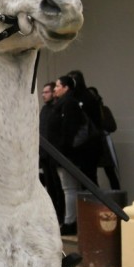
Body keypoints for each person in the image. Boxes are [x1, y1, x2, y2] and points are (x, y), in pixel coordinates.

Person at [48, 75, 96, 236]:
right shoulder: (62, 104)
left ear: (66, 88)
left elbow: (69, 130)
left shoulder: (68, 104)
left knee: (69, 189)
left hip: (66, 156)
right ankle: (70, 220)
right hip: (62, 155)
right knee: (68, 188)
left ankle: (70, 222)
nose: (55, 89)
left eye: (58, 86)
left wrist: (62, 150)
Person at [38, 82, 64, 223]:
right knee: (50, 188)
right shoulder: (44, 110)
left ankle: (61, 216)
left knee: (59, 187)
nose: (43, 95)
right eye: (42, 93)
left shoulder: (56, 109)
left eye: (46, 92)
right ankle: (53, 217)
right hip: (44, 154)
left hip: (54, 154)